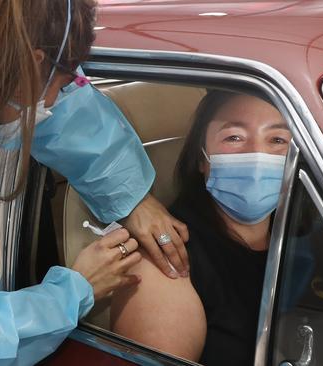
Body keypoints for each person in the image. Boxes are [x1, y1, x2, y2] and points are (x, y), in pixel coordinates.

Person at [0, 0, 185, 365]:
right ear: (30, 65)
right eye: (69, 83)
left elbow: (61, 113)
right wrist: (74, 290)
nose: (55, 102)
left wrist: (129, 195)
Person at [110, 90, 292, 365]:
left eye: (277, 140)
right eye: (234, 137)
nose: (257, 155)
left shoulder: (320, 229)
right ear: (201, 159)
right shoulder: (169, 260)